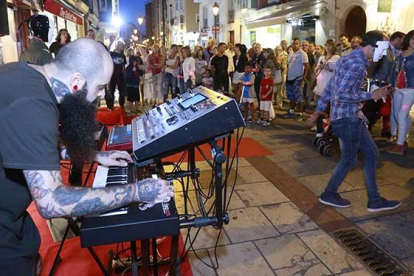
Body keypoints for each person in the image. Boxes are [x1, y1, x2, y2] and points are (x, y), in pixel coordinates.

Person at [0, 38, 173, 275]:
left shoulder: (23, 74)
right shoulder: (34, 104)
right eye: (100, 88)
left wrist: (92, 155)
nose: (100, 96)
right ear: (76, 82)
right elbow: (51, 201)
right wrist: (137, 191)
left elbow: (32, 144)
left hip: (13, 220)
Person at [308, 30, 400, 212]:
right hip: (347, 119)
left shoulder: (348, 58)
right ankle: (329, 194)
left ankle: (374, 200)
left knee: (370, 155)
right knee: (349, 160)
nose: (383, 54)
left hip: (348, 116)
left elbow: (331, 87)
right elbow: (341, 94)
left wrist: (318, 111)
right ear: (373, 46)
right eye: (382, 49)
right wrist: (371, 94)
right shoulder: (356, 63)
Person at [368, 32, 405, 138]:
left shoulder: (393, 51)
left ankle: (367, 132)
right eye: (402, 40)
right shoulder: (383, 48)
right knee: (371, 110)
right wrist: (371, 82)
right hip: (376, 84)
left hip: (384, 85)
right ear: (397, 39)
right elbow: (373, 65)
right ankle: (364, 132)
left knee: (377, 110)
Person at [386, 30, 414, 155]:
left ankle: (399, 145)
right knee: (398, 114)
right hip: (397, 89)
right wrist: (391, 85)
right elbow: (394, 72)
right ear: (408, 39)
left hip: (411, 89)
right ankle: (404, 139)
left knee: (402, 115)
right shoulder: (399, 56)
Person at [283, 38, 309, 120]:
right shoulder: (290, 52)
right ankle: (291, 111)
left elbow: (307, 66)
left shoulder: (303, 54)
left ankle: (300, 114)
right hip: (290, 78)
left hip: (298, 78)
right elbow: (289, 65)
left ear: (299, 44)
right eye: (293, 43)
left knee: (299, 96)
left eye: (296, 43)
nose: (295, 45)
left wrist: (303, 78)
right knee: (291, 96)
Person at [106, 40, 126, 110]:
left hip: (120, 75)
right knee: (111, 90)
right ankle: (110, 106)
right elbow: (106, 51)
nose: (119, 46)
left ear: (122, 47)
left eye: (120, 45)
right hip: (112, 74)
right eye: (118, 44)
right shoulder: (112, 54)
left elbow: (123, 67)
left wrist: (124, 76)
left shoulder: (123, 56)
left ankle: (121, 106)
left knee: (122, 91)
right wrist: (110, 42)